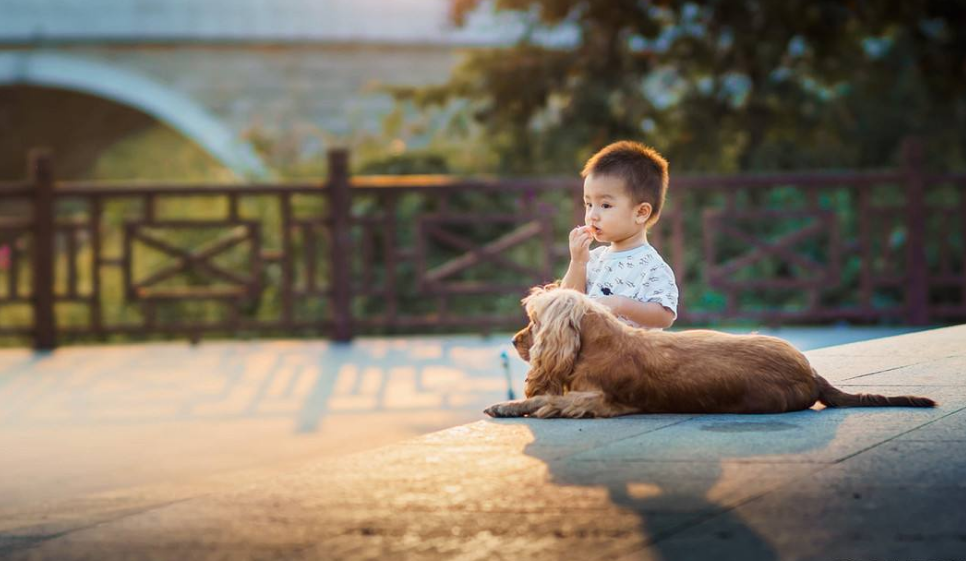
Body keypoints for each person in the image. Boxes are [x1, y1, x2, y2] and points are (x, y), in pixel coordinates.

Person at [560, 140, 678, 329]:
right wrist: (577, 263)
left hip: (634, 356)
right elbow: (567, 303)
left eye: (605, 205)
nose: (592, 216)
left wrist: (621, 305)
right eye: (588, 204)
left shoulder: (652, 266)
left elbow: (665, 316)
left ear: (640, 213)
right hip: (594, 356)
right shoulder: (593, 259)